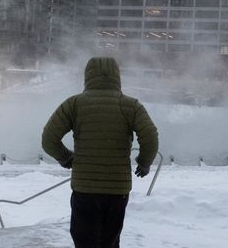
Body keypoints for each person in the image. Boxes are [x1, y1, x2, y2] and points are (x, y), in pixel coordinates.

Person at [41, 57, 158, 248]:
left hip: (85, 189)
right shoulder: (131, 105)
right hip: (117, 189)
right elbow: (150, 136)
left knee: (84, 240)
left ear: (87, 76)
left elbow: (48, 139)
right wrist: (144, 162)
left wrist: (65, 158)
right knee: (109, 241)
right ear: (117, 76)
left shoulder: (74, 104)